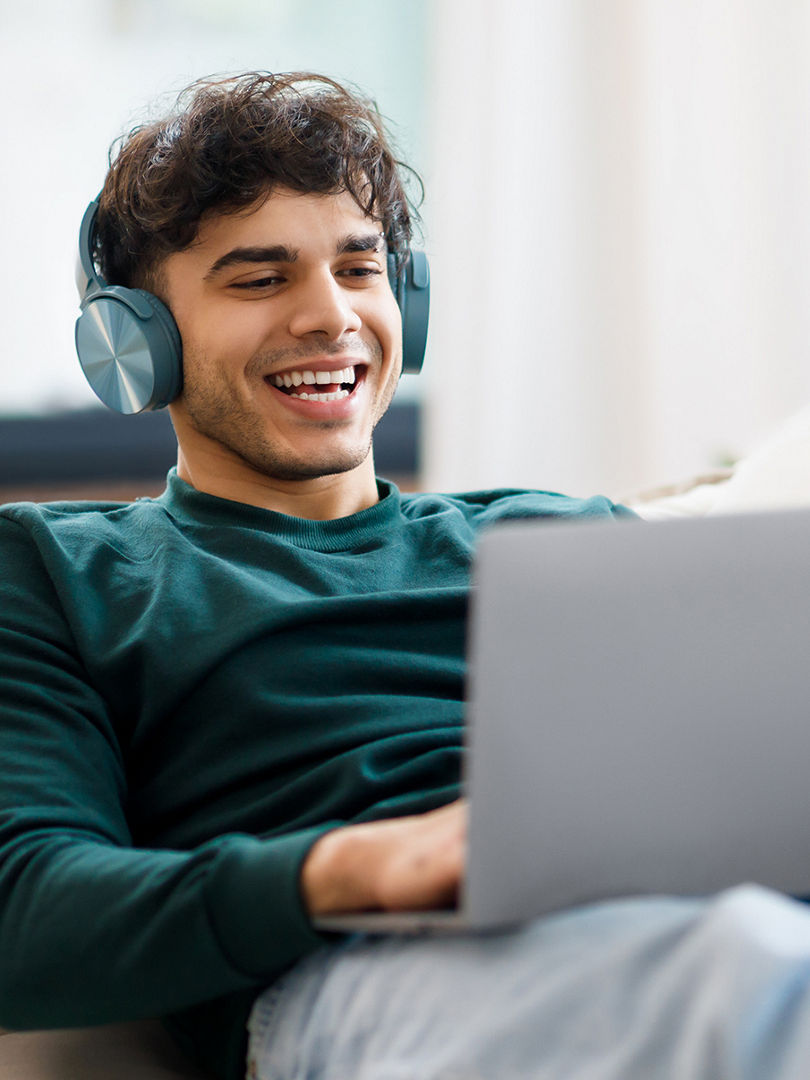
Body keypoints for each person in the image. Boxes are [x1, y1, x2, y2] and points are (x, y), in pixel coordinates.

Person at [3, 71, 810, 1080]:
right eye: (260, 279)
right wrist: (359, 866)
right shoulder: (58, 570)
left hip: (697, 917)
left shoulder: (566, 537)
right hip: (368, 972)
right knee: (739, 975)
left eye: (360, 268)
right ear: (139, 345)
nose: (331, 318)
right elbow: (25, 908)